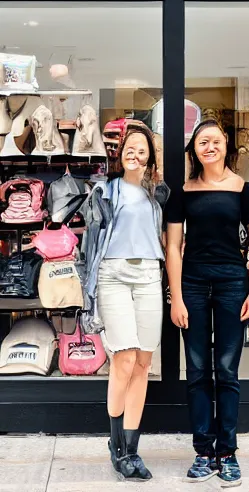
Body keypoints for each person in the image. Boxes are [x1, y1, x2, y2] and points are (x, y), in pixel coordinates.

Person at [166, 119, 249, 488]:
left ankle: (228, 453)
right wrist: (176, 296)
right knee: (196, 372)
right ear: (194, 150)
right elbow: (173, 248)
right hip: (191, 284)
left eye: (216, 141)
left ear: (227, 146)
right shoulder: (184, 192)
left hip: (232, 284)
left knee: (226, 371)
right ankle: (203, 452)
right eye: (202, 142)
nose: (209, 147)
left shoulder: (244, 190)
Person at [82, 122, 168, 481]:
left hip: (149, 275)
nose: (135, 154)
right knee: (124, 358)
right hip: (113, 275)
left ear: (149, 156)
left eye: (142, 149)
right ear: (120, 154)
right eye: (129, 148)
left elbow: (164, 238)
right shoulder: (106, 190)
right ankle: (116, 444)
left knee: (144, 363)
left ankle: (132, 449)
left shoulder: (157, 193)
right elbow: (90, 241)